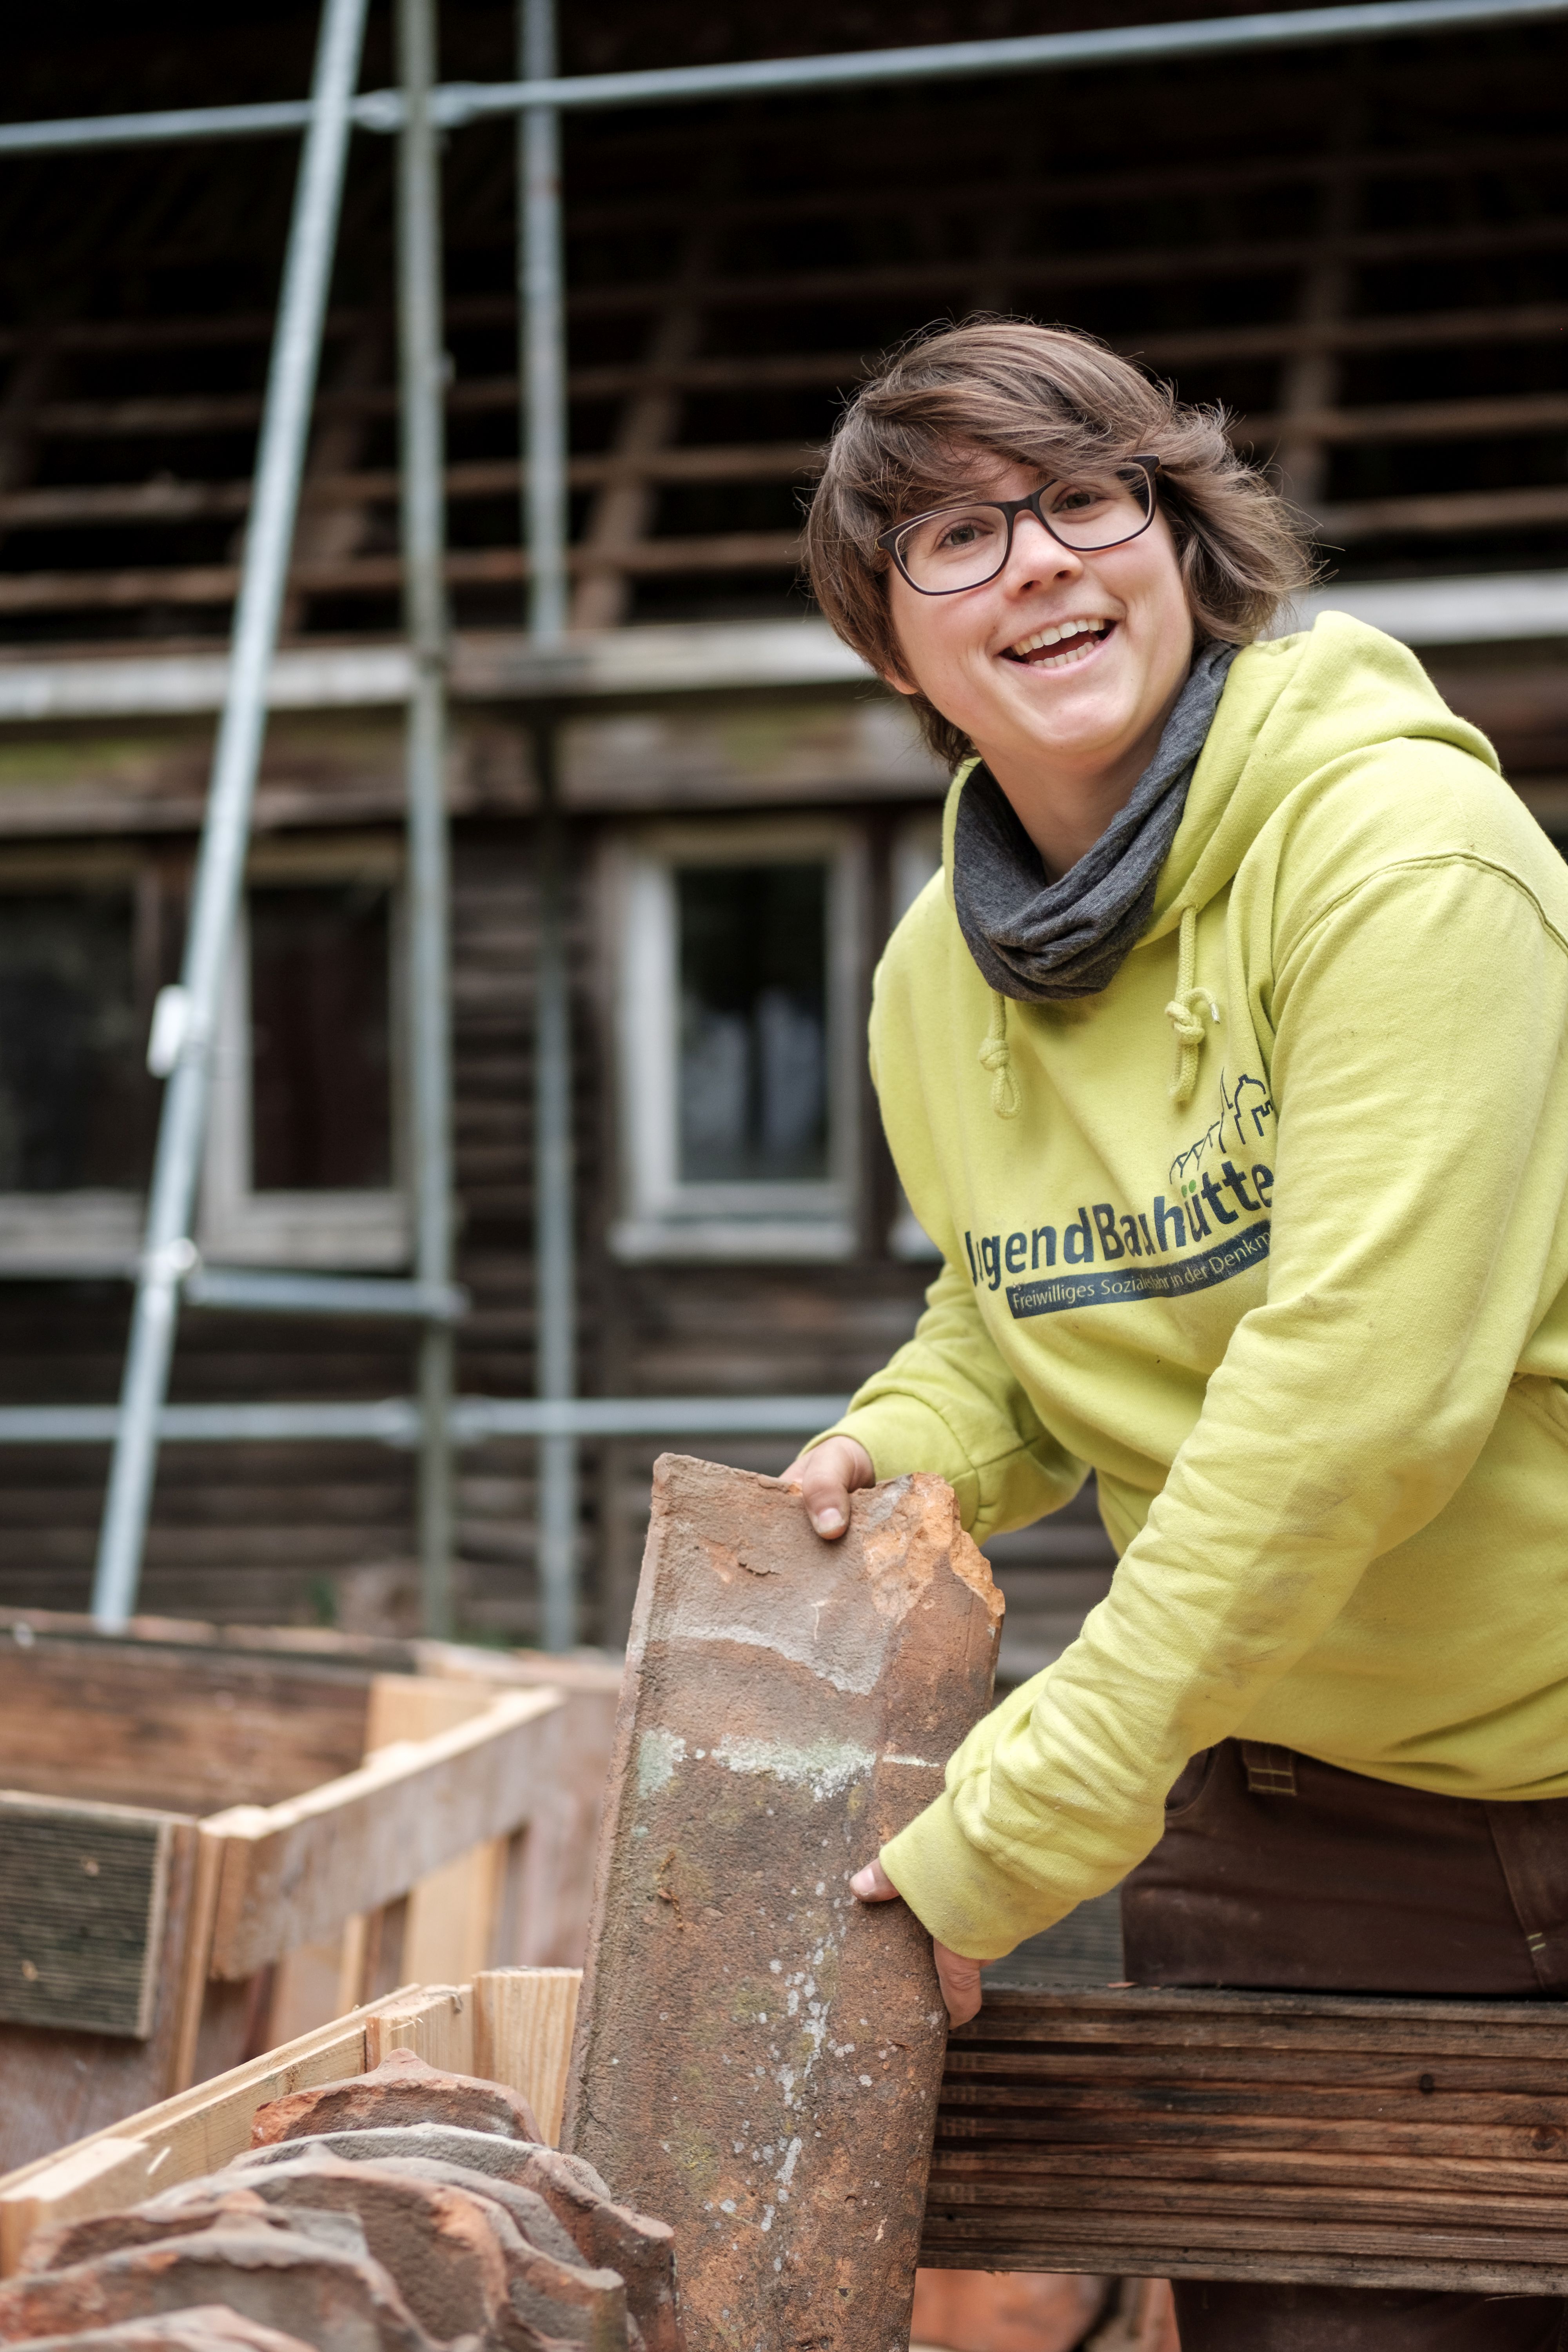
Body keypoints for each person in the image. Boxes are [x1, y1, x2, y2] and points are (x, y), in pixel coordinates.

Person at [782, 318, 1568, 2352]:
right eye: (954, 536)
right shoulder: (927, 986)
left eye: (1080, 501)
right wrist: (916, 1437)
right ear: (891, 642)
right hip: (1308, 1823)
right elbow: (1016, 1298)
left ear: (1178, 541)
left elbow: (1358, 1405)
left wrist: (1027, 1814)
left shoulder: (1402, 850)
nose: (1035, 561)